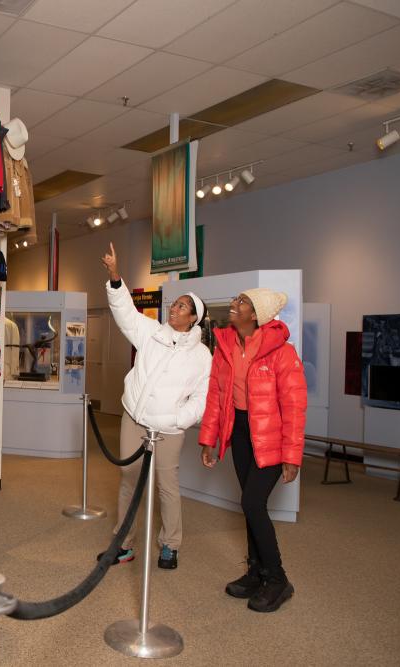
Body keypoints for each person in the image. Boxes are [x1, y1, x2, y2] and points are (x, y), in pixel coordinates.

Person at [99, 243, 211, 569]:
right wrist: (115, 276)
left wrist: (178, 419)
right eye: (174, 304)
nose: (175, 309)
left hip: (169, 428)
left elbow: (202, 399)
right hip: (134, 417)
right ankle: (123, 543)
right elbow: (126, 314)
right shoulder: (152, 333)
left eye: (183, 307)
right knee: (128, 477)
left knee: (167, 485)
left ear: (193, 319)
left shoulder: (202, 356)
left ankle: (170, 545)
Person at [198, 288, 307, 613]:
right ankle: (256, 572)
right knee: (251, 505)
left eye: (242, 302)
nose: (234, 304)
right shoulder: (226, 347)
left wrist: (292, 455)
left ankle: (277, 579)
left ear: (257, 315)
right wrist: (209, 437)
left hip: (271, 436)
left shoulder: (282, 353)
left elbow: (295, 405)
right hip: (242, 432)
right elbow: (217, 395)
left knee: (251, 502)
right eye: (235, 300)